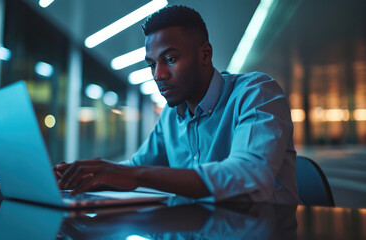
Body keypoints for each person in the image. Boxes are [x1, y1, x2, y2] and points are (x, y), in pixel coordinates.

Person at [54, 5, 300, 204]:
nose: (158, 74)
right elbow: (136, 168)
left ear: (205, 54)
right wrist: (82, 177)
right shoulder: (171, 116)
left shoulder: (256, 93)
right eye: (152, 64)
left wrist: (132, 174)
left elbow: (247, 177)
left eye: (169, 59)